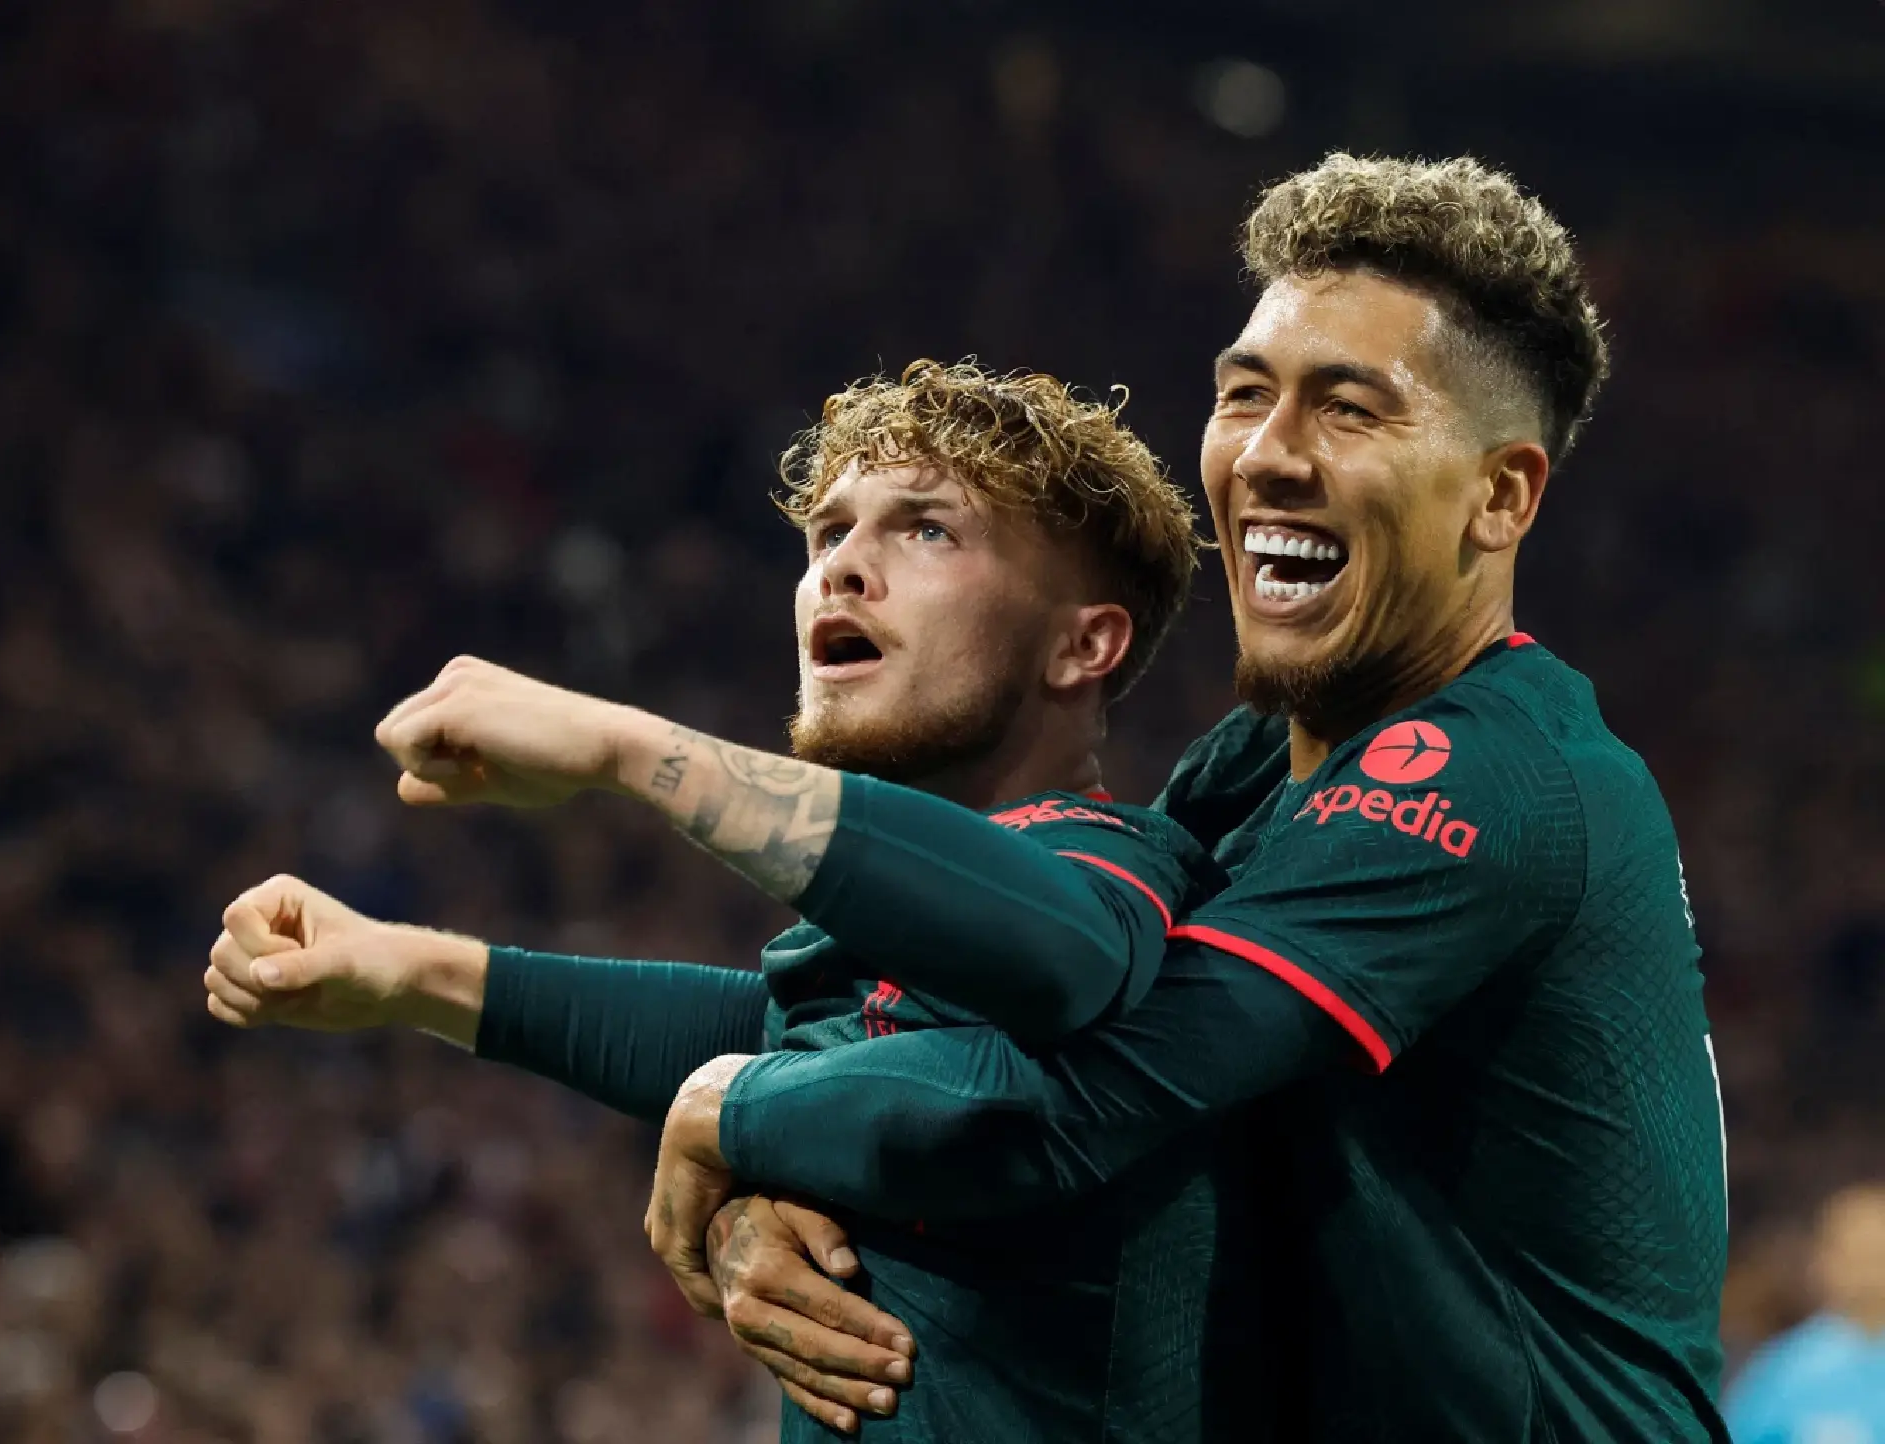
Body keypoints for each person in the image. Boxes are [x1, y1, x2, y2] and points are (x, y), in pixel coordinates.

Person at [637, 154, 1733, 1440]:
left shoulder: (1494, 772)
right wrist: (766, 1174)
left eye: (1347, 409)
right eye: (1242, 394)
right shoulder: (1249, 766)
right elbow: (956, 1026)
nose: (1265, 455)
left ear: (1498, 496)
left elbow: (1091, 1095)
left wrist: (741, 1110)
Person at [204, 360, 1290, 1441]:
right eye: (827, 534)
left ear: (1081, 643)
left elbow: (1063, 959)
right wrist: (406, 970)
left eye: (926, 532)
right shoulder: (889, 947)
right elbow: (770, 1030)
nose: (842, 571)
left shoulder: (1116, 862)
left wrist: (623, 748)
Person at [1723, 1183, 1885, 1444]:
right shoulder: (1783, 1370)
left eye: (1877, 1253)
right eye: (1853, 1253)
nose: (1867, 1271)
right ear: (1823, 1261)